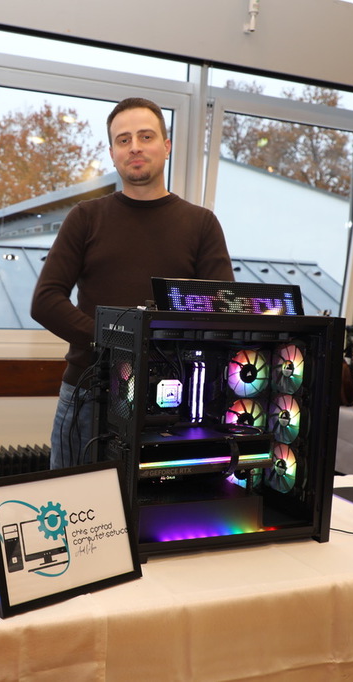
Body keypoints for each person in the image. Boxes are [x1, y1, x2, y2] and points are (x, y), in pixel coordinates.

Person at [31, 97, 234, 469]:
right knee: (75, 504)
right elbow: (45, 301)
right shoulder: (85, 217)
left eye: (146, 136)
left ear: (166, 146)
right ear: (112, 154)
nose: (135, 147)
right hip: (88, 395)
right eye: (123, 140)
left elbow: (222, 315)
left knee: (162, 505)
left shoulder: (201, 224)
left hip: (174, 401)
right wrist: (118, 343)